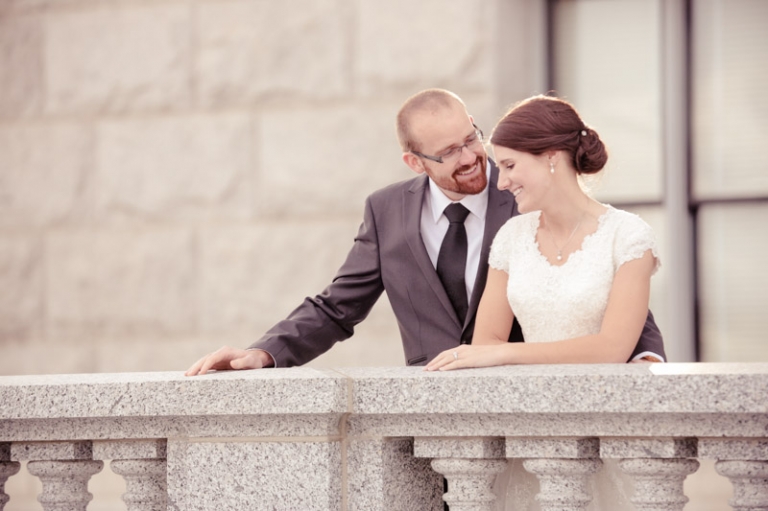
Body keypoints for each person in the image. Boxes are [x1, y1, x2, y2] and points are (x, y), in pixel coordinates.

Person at [186, 89, 665, 377]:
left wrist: (645, 357)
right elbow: (337, 306)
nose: (471, 158)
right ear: (415, 162)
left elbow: (595, 288)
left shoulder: (527, 199)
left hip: (526, 398)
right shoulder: (386, 211)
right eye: (449, 152)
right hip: (431, 409)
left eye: (471, 138)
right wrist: (264, 352)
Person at [425, 94, 662, 373]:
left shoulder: (628, 236)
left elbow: (612, 348)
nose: (501, 183)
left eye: (510, 166)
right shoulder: (511, 237)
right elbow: (485, 343)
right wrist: (499, 352)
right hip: (529, 397)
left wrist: (506, 352)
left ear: (551, 156)